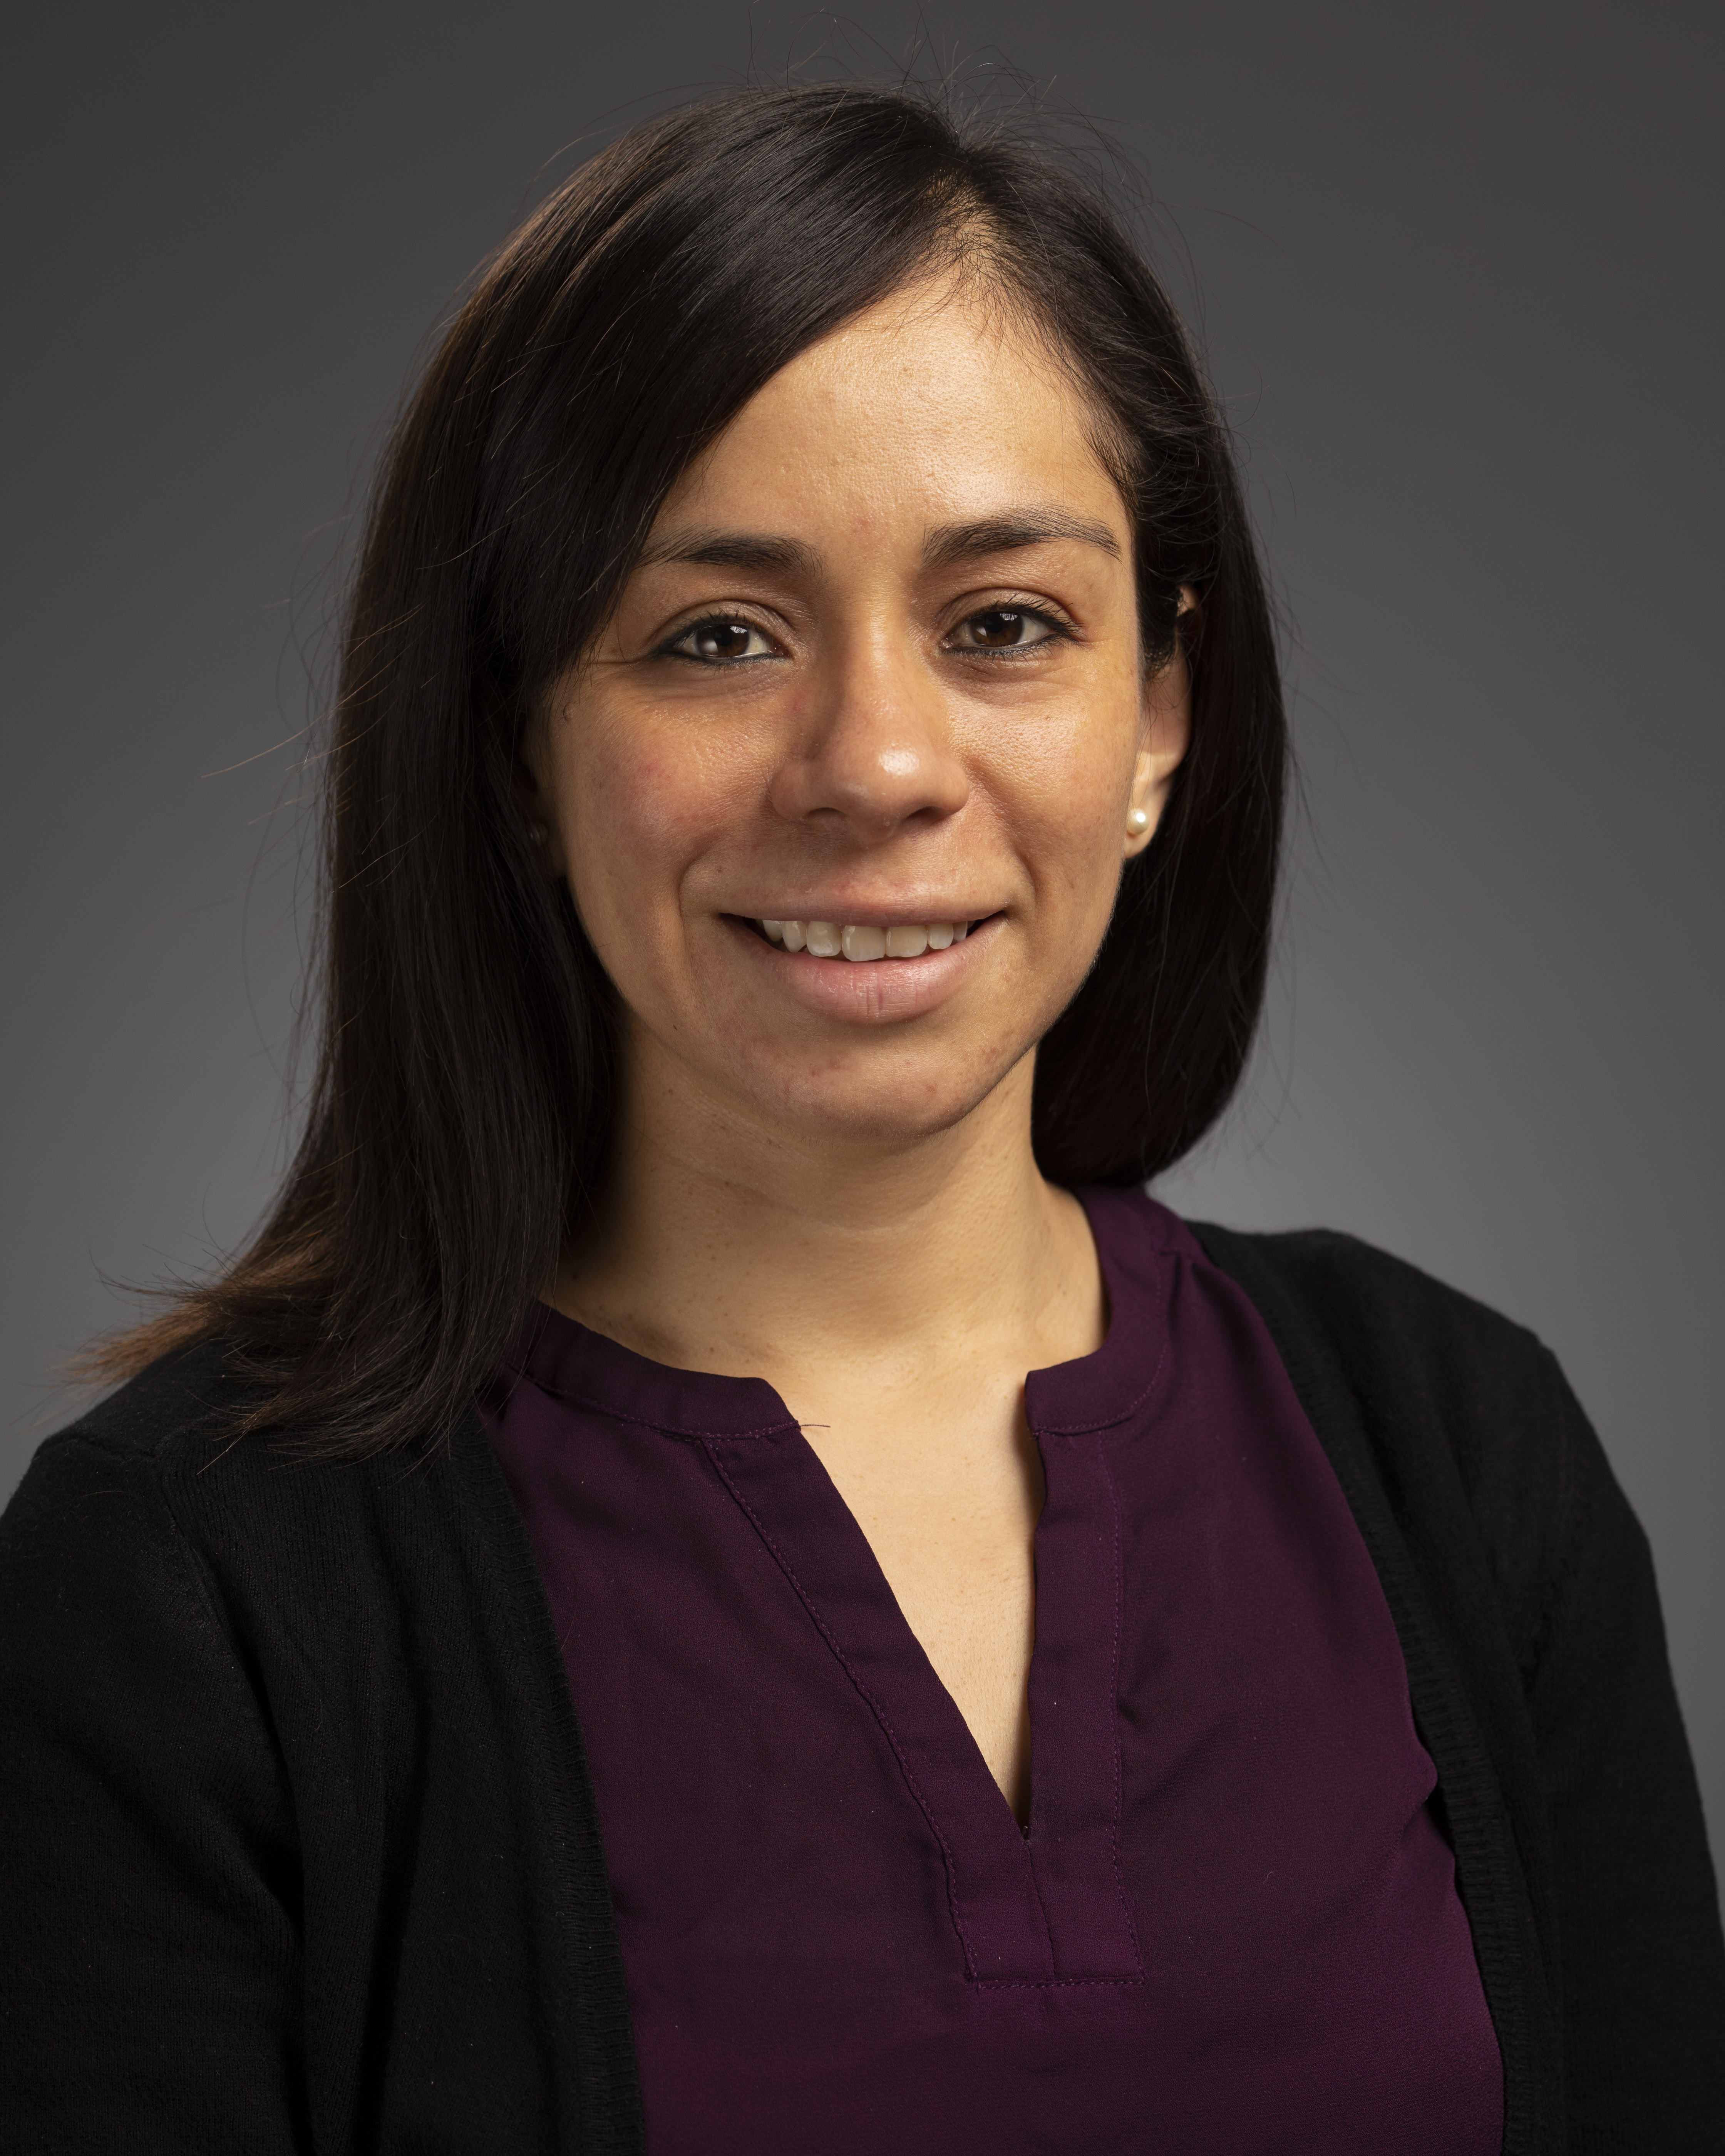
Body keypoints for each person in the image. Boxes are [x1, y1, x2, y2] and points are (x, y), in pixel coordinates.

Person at [2, 80, 1719, 2156]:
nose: (877, 763)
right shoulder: (181, 1582)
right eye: (717, 636)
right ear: (515, 744)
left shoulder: (1464, 1449)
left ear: (1161, 717)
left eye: (1005, 625)